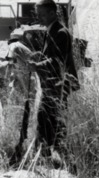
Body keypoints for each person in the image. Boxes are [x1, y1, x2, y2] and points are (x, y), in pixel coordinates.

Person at [28, 0, 80, 159]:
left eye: (42, 14)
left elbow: (57, 62)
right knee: (49, 121)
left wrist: (37, 66)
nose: (39, 18)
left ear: (52, 13)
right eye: (38, 14)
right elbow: (51, 57)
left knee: (50, 121)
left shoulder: (61, 33)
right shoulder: (50, 31)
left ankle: (52, 157)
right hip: (51, 86)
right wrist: (40, 58)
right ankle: (50, 156)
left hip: (58, 87)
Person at [0, 37, 40, 123]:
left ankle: (19, 122)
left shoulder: (13, 45)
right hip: (29, 75)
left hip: (25, 77)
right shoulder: (22, 48)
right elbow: (13, 61)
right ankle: (21, 122)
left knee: (15, 100)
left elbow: (11, 60)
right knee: (17, 100)